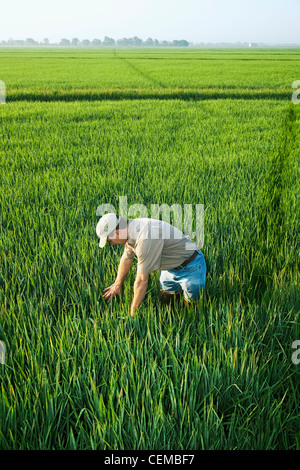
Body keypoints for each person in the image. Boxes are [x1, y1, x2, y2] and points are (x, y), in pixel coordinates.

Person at [96, 213, 207, 318]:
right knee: (168, 305)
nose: (112, 243)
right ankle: (171, 323)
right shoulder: (131, 230)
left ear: (117, 233)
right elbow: (127, 258)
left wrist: (133, 314)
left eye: (110, 240)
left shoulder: (145, 238)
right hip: (169, 270)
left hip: (190, 267)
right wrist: (117, 284)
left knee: (192, 310)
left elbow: (141, 281)